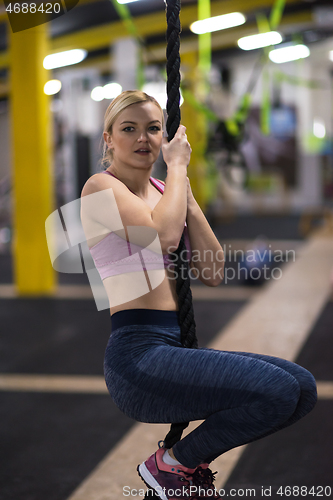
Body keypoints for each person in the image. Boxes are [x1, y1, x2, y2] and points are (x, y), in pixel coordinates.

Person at [80, 90, 317, 500]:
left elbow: (213, 270)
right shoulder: (100, 187)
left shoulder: (164, 188)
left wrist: (181, 187)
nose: (143, 138)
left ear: (165, 135)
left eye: (153, 128)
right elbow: (165, 238)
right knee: (276, 390)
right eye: (129, 129)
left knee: (301, 388)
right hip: (138, 360)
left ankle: (184, 463)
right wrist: (177, 170)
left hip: (172, 352)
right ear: (108, 140)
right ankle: (173, 466)